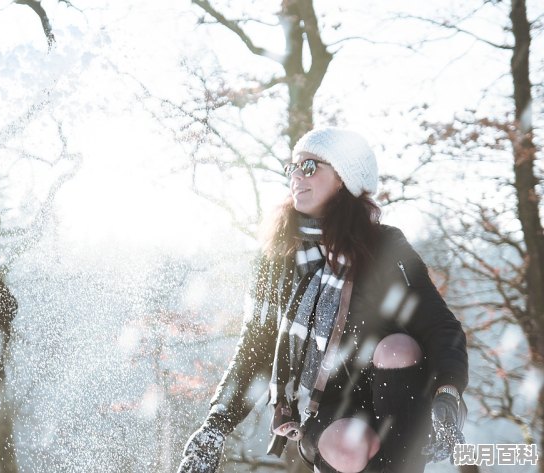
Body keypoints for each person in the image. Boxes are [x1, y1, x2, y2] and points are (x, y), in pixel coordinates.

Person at [178, 127, 468, 473]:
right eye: (293, 168)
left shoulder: (383, 247)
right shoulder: (278, 256)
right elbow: (256, 348)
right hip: (325, 405)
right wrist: (216, 425)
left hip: (394, 398)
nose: (297, 176)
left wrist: (448, 394)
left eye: (311, 167)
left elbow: (439, 326)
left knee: (398, 347)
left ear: (343, 179)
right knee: (349, 445)